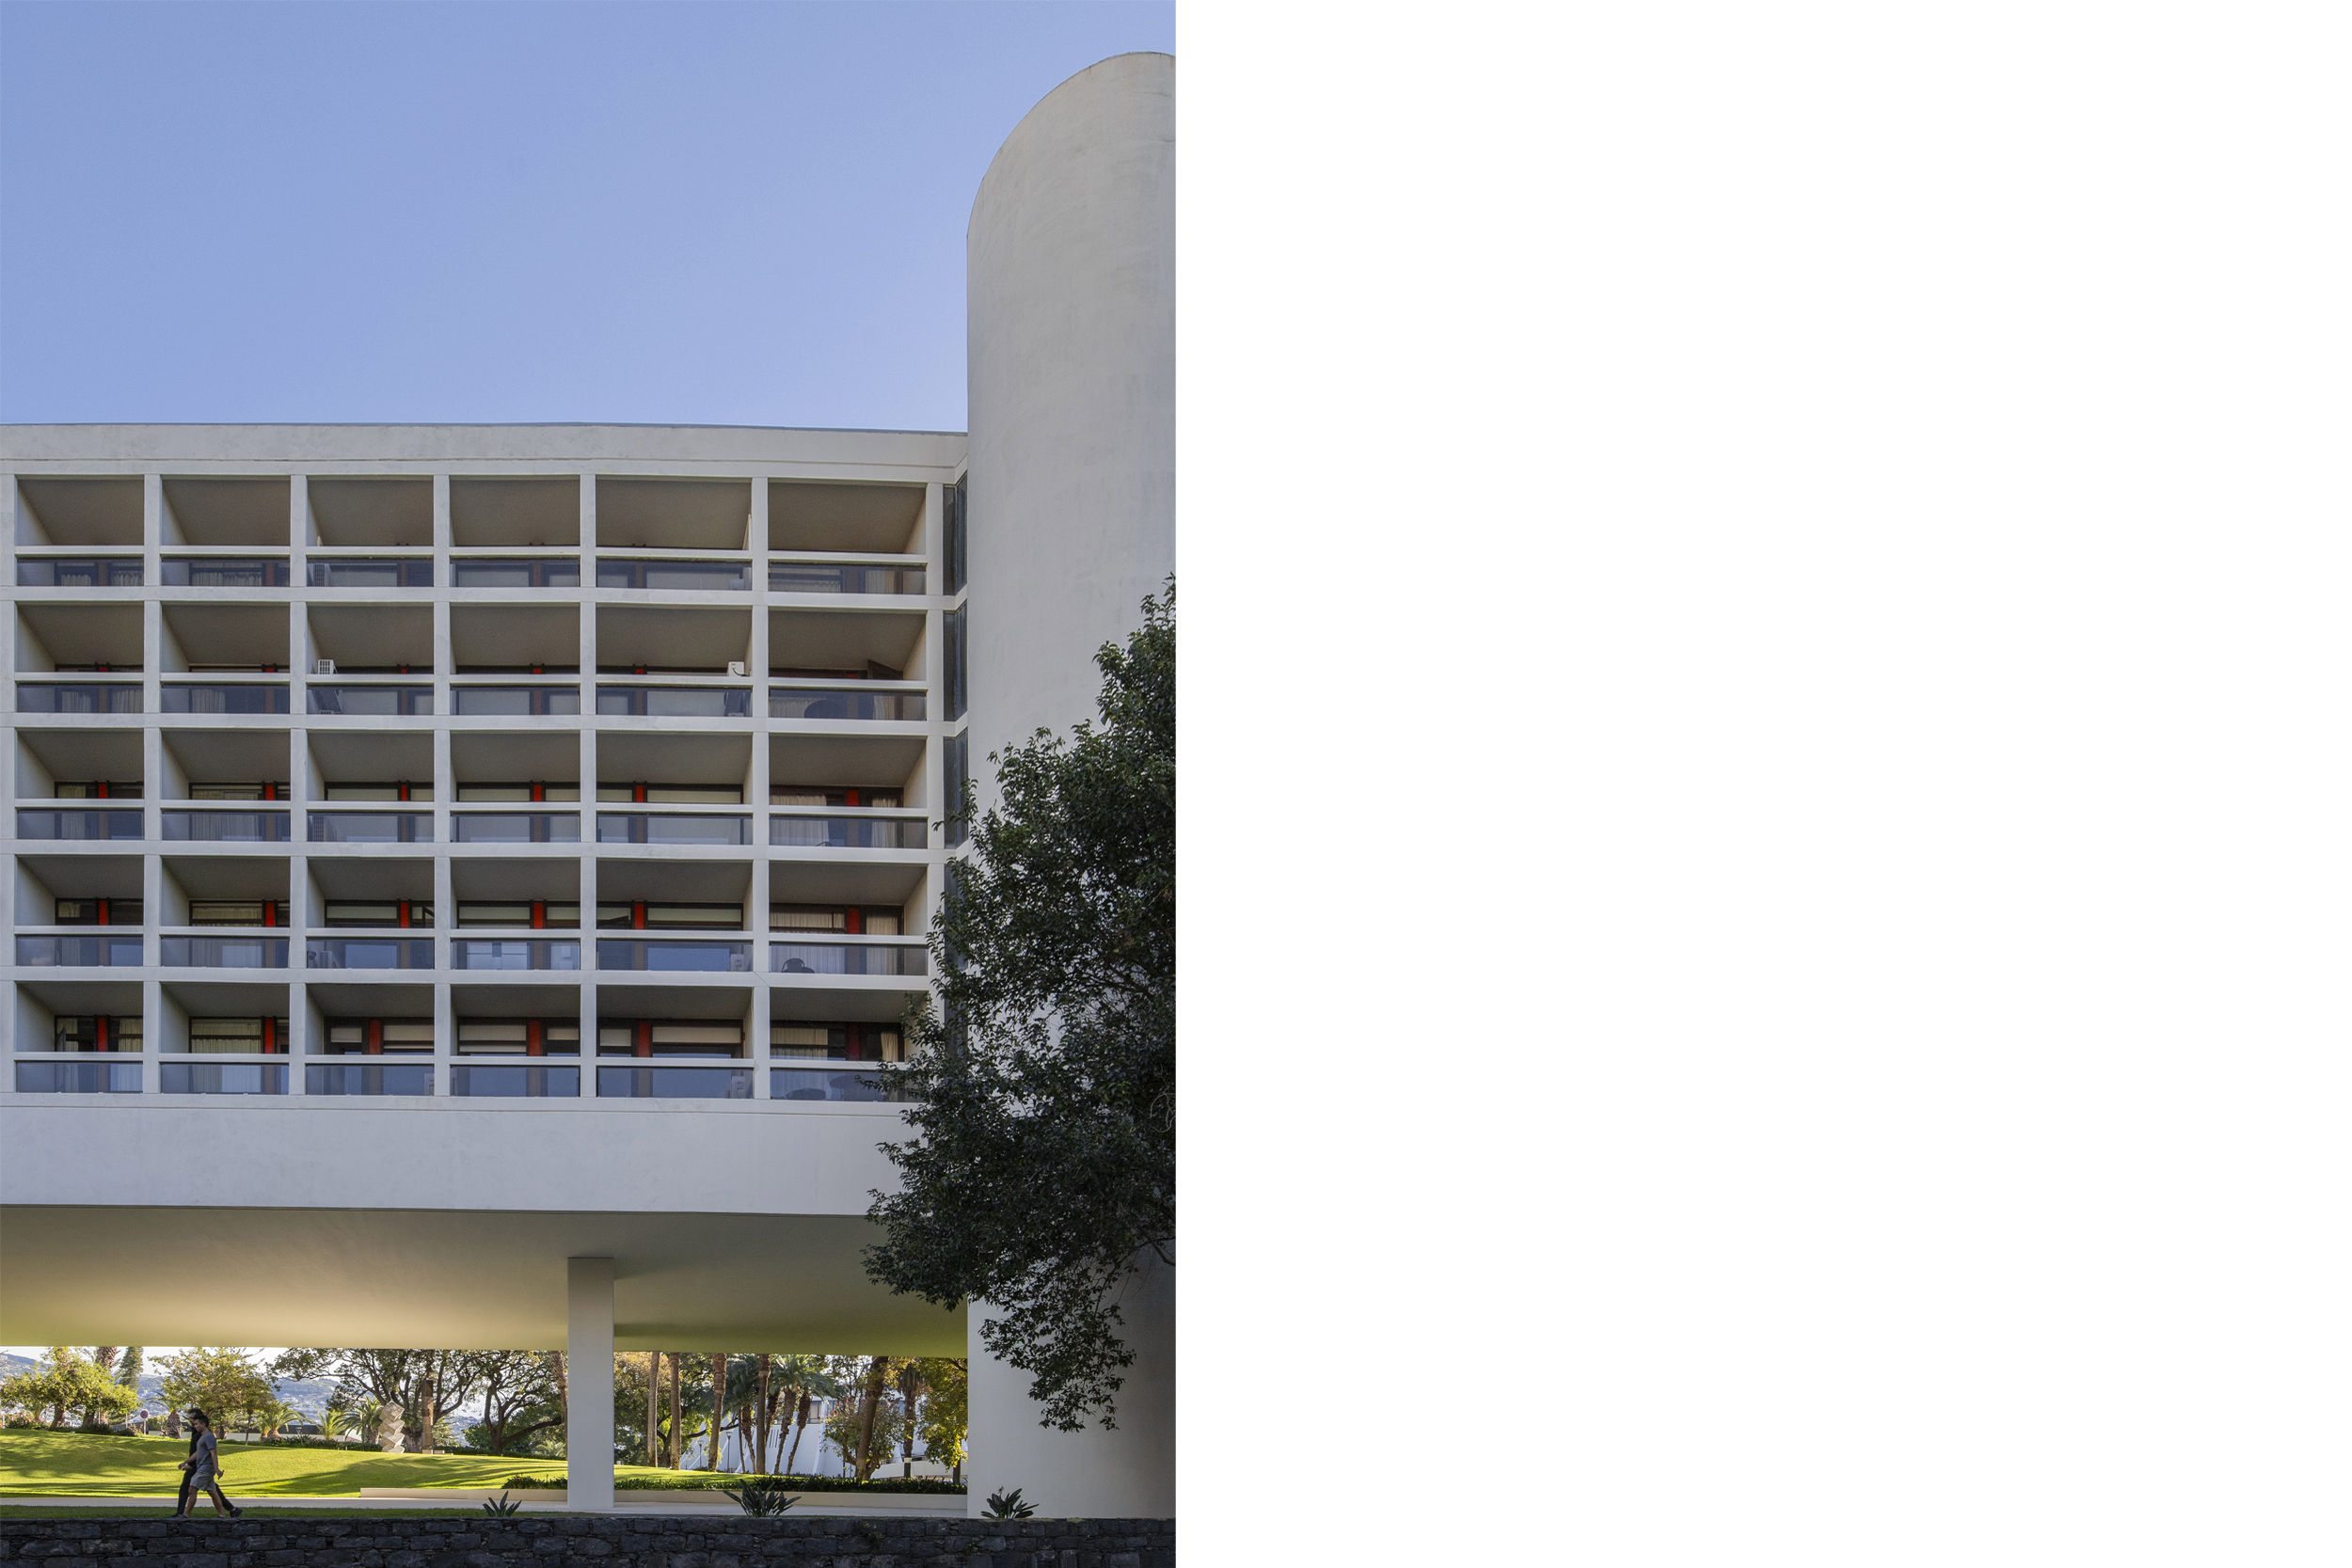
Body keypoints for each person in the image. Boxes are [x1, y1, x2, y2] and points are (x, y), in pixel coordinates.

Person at [174, 1409, 241, 1518]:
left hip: (205, 1469)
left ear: (203, 1424)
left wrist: (217, 1469)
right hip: (203, 1467)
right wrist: (186, 1462)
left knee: (191, 1489)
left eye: (196, 1423)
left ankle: (185, 1515)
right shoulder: (202, 1436)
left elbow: (213, 1453)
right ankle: (222, 1515)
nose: (194, 1425)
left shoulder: (209, 1437)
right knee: (213, 1492)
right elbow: (198, 1452)